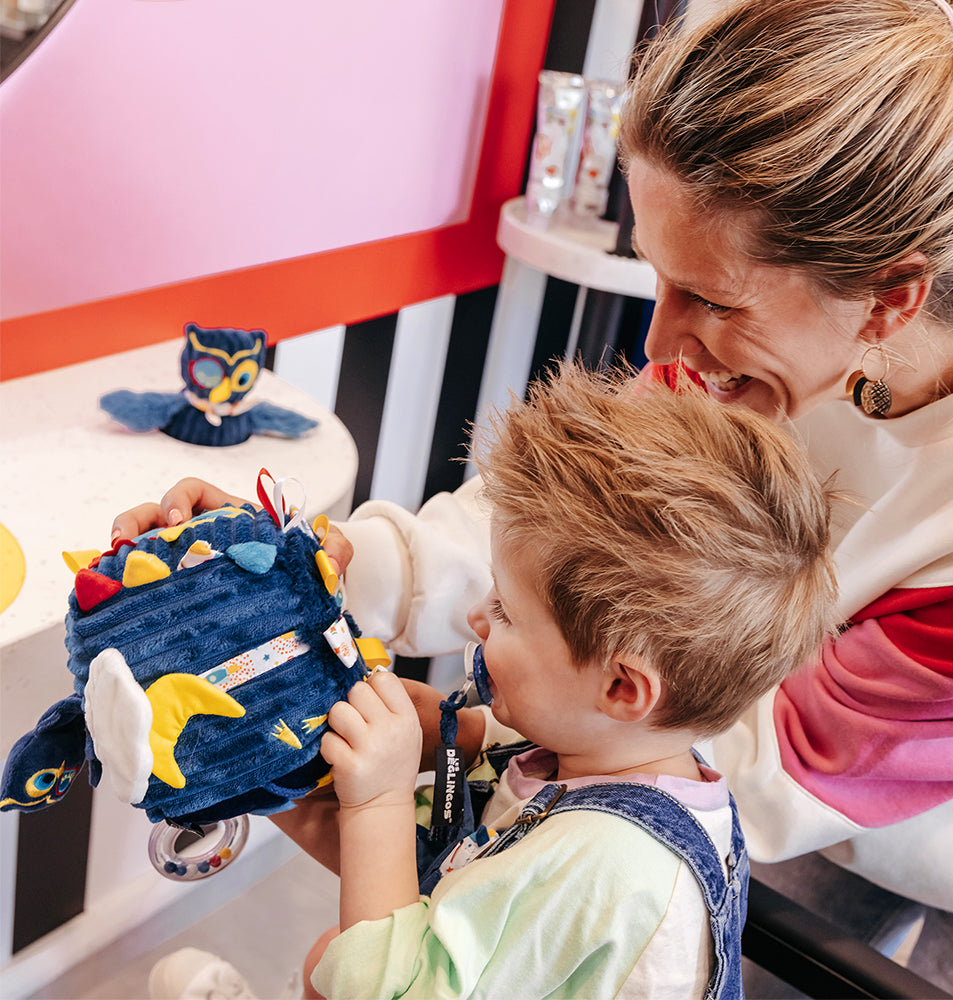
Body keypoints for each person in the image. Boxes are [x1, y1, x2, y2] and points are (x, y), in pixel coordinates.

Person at [122, 0, 953, 995]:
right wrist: (318, 567)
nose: (663, 347)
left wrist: (429, 770)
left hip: (943, 850)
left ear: (890, 297)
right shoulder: (725, 363)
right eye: (662, 282)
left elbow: (774, 767)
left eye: (710, 298)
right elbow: (565, 528)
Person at [149, 362, 839, 1000]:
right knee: (329, 957)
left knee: (342, 964)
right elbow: (440, 803)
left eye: (506, 609)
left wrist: (379, 803)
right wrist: (269, 741)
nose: (477, 617)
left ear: (623, 688)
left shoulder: (609, 866)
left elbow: (395, 989)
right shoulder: (606, 744)